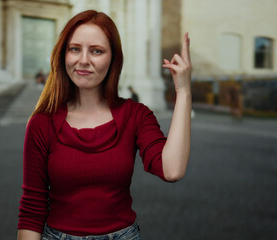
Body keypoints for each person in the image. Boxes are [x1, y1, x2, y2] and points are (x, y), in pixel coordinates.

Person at [17, 10, 192, 240]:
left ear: (113, 59)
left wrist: (184, 91)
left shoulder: (135, 115)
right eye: (74, 49)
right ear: (63, 55)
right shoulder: (42, 123)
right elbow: (33, 207)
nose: (83, 60)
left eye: (96, 51)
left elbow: (172, 169)